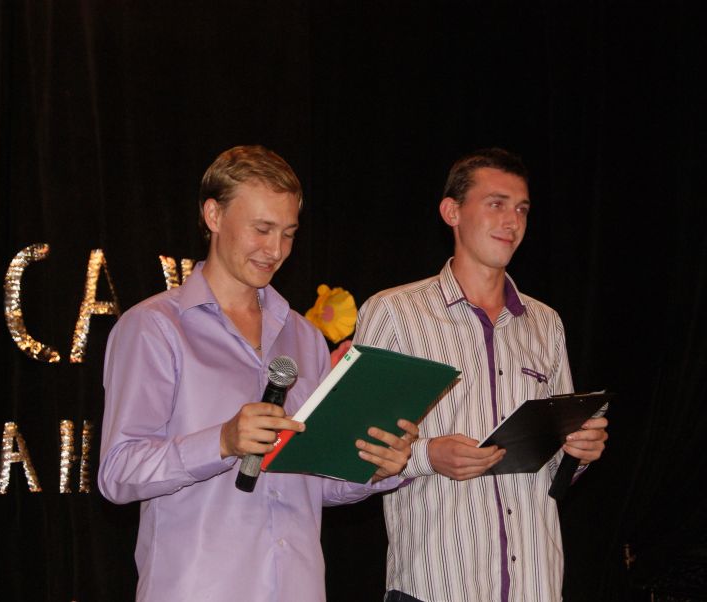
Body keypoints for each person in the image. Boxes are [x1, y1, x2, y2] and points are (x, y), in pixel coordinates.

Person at [98, 145, 417, 601]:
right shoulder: (154, 327)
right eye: (262, 229)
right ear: (213, 215)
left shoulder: (304, 336)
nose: (276, 250)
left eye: (288, 233)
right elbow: (118, 473)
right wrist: (222, 441)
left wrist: (374, 467)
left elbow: (308, 484)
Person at [353, 148, 609, 601]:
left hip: (535, 583)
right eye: (496, 203)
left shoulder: (545, 323)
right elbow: (356, 449)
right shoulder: (394, 312)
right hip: (438, 584)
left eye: (521, 208)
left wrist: (579, 452)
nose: (512, 220)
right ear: (451, 212)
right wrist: (428, 455)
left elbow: (555, 469)